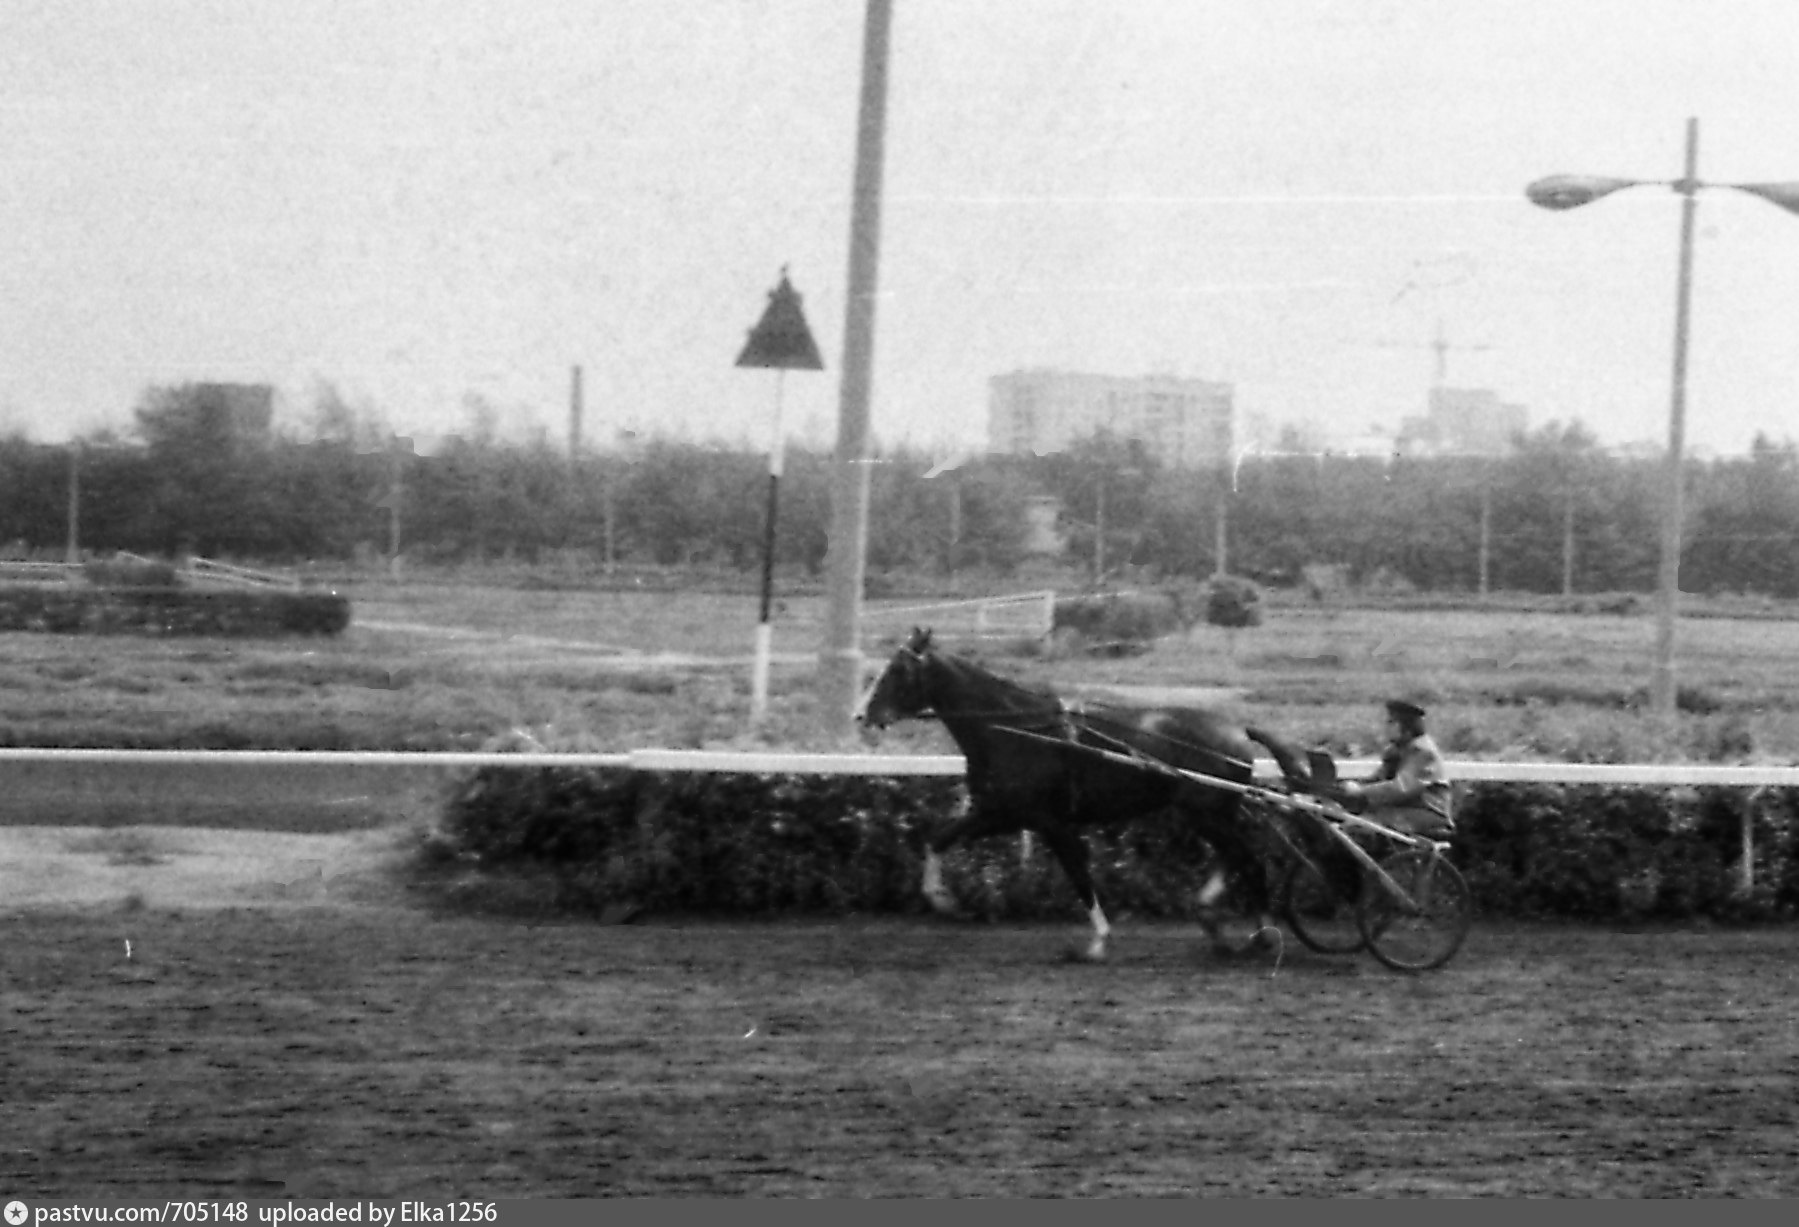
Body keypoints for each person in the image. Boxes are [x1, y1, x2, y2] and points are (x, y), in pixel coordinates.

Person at [1333, 699, 1454, 839]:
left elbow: (1401, 787)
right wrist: (1348, 788)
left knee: (1366, 824)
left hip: (1427, 813)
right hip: (1403, 809)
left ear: (1406, 726)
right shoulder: (1396, 751)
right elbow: (1379, 779)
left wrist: (1361, 791)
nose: (1386, 727)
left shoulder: (1423, 751)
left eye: (1391, 722)